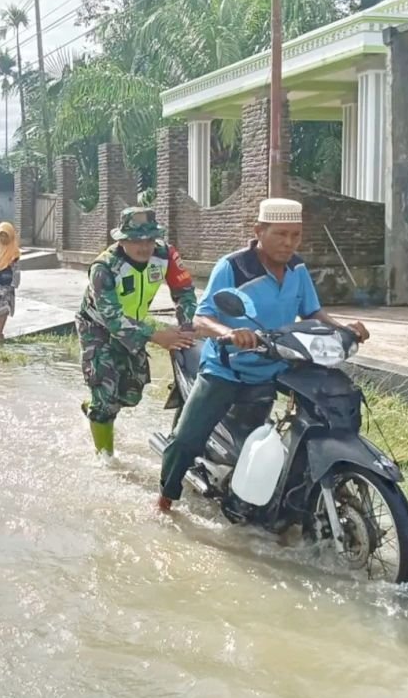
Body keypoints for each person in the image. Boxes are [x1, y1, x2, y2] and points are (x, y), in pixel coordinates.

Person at [157, 198, 369, 511]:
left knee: (321, 410)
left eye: (295, 235)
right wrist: (229, 333)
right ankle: (164, 500)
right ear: (259, 231)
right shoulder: (233, 267)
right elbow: (202, 318)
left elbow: (313, 312)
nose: (289, 243)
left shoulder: (297, 268)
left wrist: (344, 329)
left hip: (276, 365)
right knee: (187, 439)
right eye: (280, 234)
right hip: (227, 369)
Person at [76, 207, 197, 458]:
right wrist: (157, 336)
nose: (144, 247)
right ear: (121, 240)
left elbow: (185, 292)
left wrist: (185, 328)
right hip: (97, 327)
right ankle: (105, 458)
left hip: (136, 324)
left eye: (149, 240)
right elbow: (112, 318)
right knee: (106, 397)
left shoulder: (166, 255)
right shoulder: (104, 267)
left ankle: (95, 407)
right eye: (135, 241)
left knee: (132, 393)